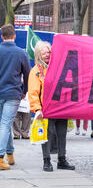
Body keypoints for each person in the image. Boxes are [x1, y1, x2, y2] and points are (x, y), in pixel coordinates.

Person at [28, 41, 75, 172]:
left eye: (48, 52)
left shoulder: (58, 67)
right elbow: (33, 92)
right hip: (46, 109)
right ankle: (46, 161)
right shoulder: (36, 71)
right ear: (38, 54)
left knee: (62, 133)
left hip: (60, 108)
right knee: (46, 135)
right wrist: (37, 109)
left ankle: (62, 159)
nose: (47, 54)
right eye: (43, 52)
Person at [0, 24, 30, 170]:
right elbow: (27, 73)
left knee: (4, 124)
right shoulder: (21, 53)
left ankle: (10, 154)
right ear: (14, 36)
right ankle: (0, 158)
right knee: (5, 124)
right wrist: (25, 90)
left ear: (1, 36)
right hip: (13, 93)